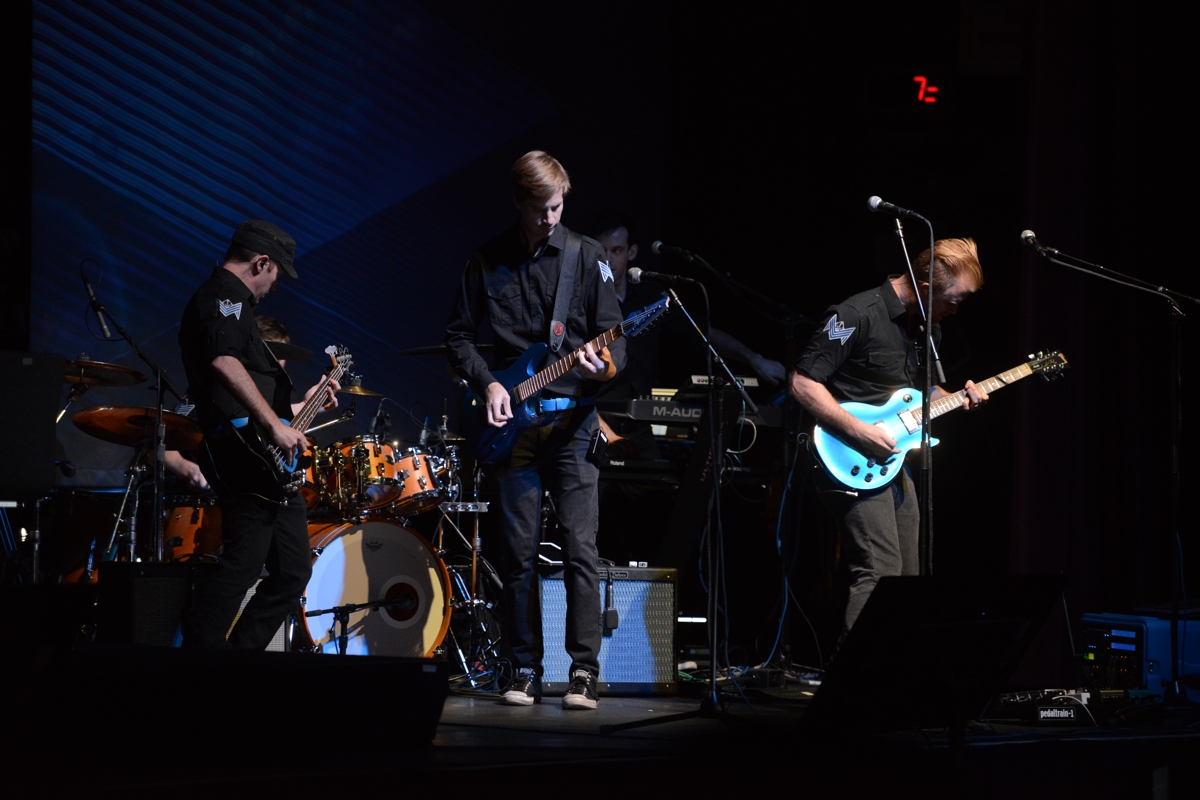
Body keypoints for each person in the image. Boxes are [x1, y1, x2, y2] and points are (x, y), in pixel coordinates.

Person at [445, 151, 626, 710]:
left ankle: (583, 672)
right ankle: (522, 668)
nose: (550, 218)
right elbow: (458, 337)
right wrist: (488, 385)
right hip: (513, 426)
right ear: (518, 203)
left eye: (558, 207)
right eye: (540, 209)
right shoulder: (486, 260)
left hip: (573, 421)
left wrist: (604, 367)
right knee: (517, 556)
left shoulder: (585, 255)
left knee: (580, 551)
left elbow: (615, 338)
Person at [789, 238, 988, 643]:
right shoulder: (856, 314)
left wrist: (960, 398)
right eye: (955, 299)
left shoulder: (928, 327)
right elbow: (803, 382)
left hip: (890, 462)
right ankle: (852, 678)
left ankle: (891, 673)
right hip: (846, 455)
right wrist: (860, 431)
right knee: (879, 572)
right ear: (926, 287)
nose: (956, 309)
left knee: (907, 579)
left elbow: (923, 395)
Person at [177, 220, 338, 649]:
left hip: (261, 454)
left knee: (292, 572)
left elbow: (254, 392)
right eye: (277, 273)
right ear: (261, 262)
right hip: (241, 452)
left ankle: (240, 660)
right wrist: (271, 424)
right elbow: (222, 361)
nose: (276, 284)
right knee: (243, 565)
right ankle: (195, 663)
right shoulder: (223, 296)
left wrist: (299, 407)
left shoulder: (237, 305)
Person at [591, 212, 788, 458]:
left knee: (656, 479)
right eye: (602, 251)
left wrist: (754, 358)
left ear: (631, 252)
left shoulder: (650, 298)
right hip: (597, 417)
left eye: (616, 250)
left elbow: (700, 332)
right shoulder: (586, 301)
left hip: (639, 423)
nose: (608, 259)